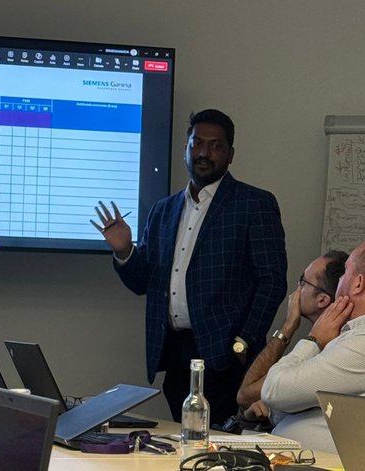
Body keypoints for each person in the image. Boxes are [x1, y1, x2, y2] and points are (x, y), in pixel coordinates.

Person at [91, 109, 287, 424]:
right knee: (187, 440)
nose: (204, 153)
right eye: (197, 144)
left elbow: (272, 281)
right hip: (175, 352)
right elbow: (144, 283)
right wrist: (125, 250)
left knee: (223, 445)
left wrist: (244, 341)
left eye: (215, 146)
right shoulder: (163, 210)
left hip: (227, 356)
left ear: (230, 154)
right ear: (187, 148)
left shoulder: (254, 204)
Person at [260, 241, 365, 453]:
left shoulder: (360, 343)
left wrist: (313, 340)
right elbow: (281, 404)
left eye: (345, 272)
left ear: (358, 283)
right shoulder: (349, 336)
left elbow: (273, 391)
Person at [231, 250, 348, 431]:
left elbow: (245, 394)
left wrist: (288, 326)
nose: (297, 288)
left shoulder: (328, 346)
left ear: (322, 299)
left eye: (303, 282)